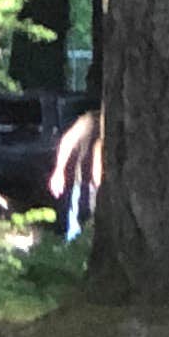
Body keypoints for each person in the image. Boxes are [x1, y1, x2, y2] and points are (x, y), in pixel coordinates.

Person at [46, 97, 102, 244]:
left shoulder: (129, 124)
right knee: (79, 229)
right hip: (85, 186)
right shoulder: (91, 121)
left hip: (110, 189)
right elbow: (68, 141)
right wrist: (59, 171)